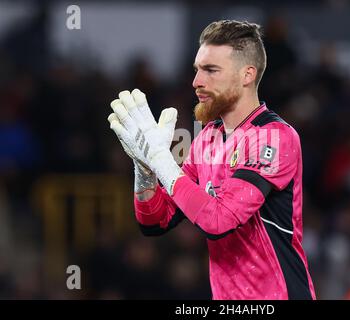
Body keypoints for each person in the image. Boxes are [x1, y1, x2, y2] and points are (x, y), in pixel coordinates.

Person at [107, 20, 316, 300]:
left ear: (247, 75)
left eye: (211, 70)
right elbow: (156, 221)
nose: (196, 82)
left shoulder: (275, 137)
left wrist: (162, 161)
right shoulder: (206, 139)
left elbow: (219, 220)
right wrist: (145, 168)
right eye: (197, 70)